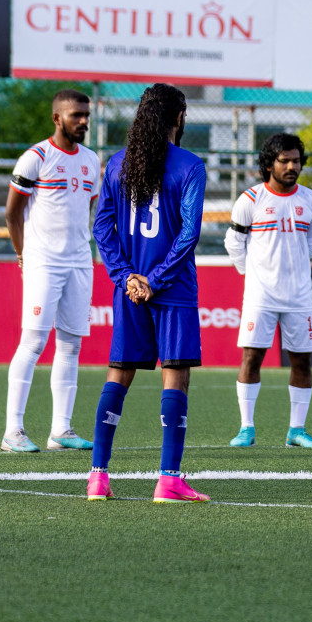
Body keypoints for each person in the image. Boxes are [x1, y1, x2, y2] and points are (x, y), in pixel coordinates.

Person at [86, 84, 209, 504]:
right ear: (179, 118)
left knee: (118, 374)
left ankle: (97, 479)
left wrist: (126, 277)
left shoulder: (118, 163)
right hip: (172, 289)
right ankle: (168, 480)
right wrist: (154, 279)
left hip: (130, 290)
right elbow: (189, 233)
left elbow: (102, 226)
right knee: (175, 377)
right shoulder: (190, 166)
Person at [1, 89, 100, 453]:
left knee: (71, 344)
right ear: (57, 118)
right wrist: (23, 253)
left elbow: (86, 208)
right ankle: (12, 432)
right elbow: (12, 213)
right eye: (76, 115)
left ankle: (62, 430)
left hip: (79, 261)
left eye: (86, 115)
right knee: (33, 342)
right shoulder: (35, 158)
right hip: (43, 262)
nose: (83, 121)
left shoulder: (91, 160)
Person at [225, 132, 312, 449]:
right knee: (252, 358)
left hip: (299, 296)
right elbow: (234, 243)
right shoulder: (251, 200)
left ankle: (297, 430)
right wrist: (253, 275)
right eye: (284, 160)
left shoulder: (310, 199)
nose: (292, 166)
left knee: (301, 362)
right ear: (270, 163)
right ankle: (246, 428)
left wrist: (291, 266)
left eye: (296, 160)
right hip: (260, 296)